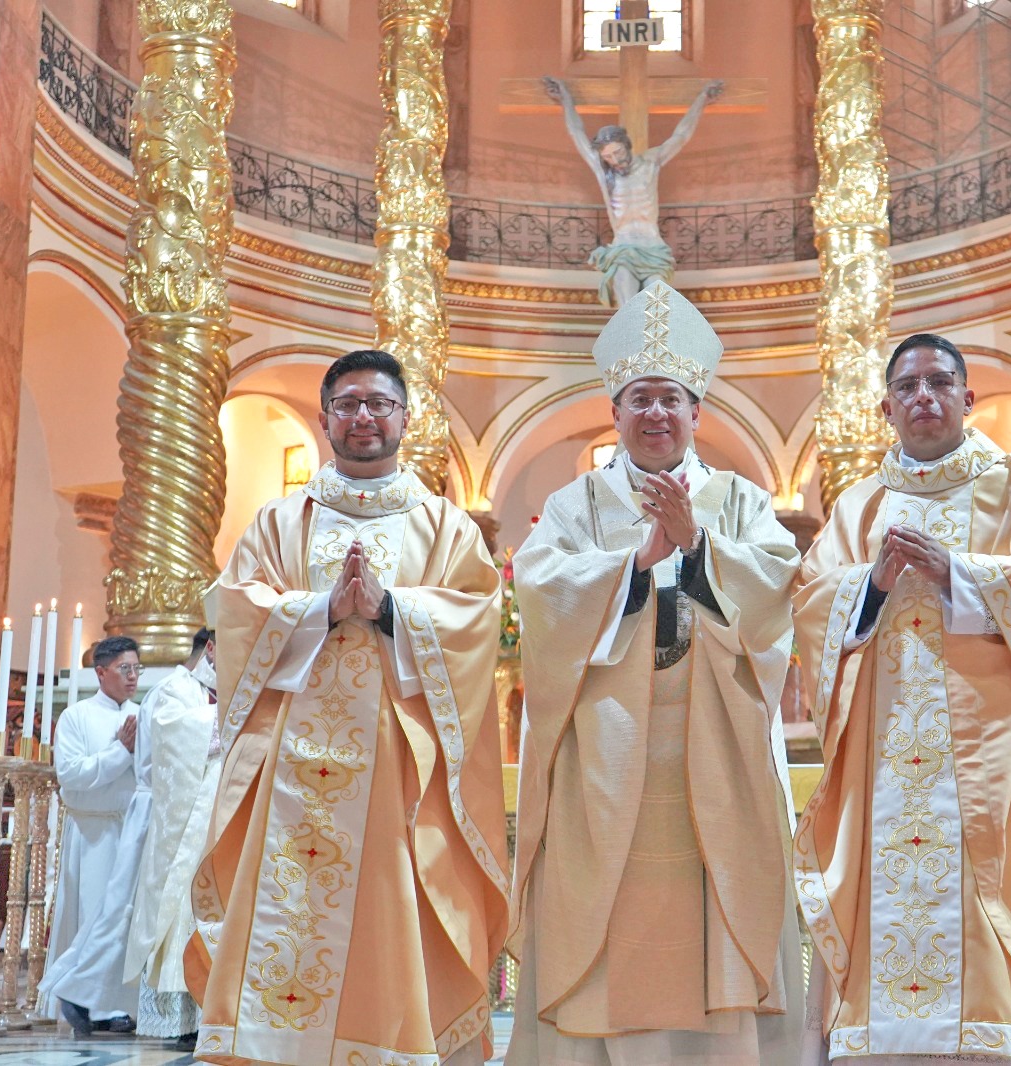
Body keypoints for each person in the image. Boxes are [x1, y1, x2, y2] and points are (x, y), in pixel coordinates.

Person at [793, 333, 1011, 1063]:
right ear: (887, 407)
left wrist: (963, 576)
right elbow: (809, 601)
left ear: (969, 399)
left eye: (940, 383)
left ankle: (1008, 1034)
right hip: (885, 763)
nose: (924, 397)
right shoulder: (859, 508)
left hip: (998, 763)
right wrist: (868, 586)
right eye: (907, 387)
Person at [508, 279, 804, 1063]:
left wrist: (700, 547)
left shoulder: (739, 500)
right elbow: (540, 593)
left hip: (718, 752)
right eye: (639, 399)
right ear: (615, 412)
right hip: (605, 760)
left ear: (696, 413)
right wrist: (638, 561)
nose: (656, 415)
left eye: (671, 399)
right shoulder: (576, 506)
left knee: (717, 905)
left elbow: (779, 590)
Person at [188, 350, 507, 1065]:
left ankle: (392, 1044)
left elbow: (477, 616)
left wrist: (392, 609)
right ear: (327, 417)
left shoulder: (444, 525)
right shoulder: (277, 521)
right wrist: (319, 610)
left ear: (404, 417)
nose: (365, 416)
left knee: (389, 911)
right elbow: (237, 609)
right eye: (350, 403)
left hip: (395, 768)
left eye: (380, 404)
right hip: (290, 770)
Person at [543, 75, 724, 307]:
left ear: (627, 145)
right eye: (608, 156)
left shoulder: (651, 162)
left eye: (618, 152)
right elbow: (576, 132)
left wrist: (701, 100)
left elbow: (681, 136)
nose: (615, 160)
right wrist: (565, 99)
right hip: (623, 249)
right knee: (627, 311)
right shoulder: (603, 171)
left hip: (653, 248)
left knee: (656, 312)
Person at [38, 635, 142, 1035]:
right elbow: (72, 776)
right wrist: (120, 751)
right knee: (97, 916)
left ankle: (119, 1001)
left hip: (131, 828)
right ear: (101, 672)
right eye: (124, 669)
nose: (132, 677)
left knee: (125, 919)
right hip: (94, 829)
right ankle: (91, 1002)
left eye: (137, 669)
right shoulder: (77, 717)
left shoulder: (143, 713)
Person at [123, 627, 218, 1051]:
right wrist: (233, 718)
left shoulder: (223, 688)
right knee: (179, 908)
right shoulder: (172, 689)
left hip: (214, 815)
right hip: (180, 822)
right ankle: (179, 1011)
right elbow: (174, 745)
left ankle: (213, 1007)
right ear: (211, 649)